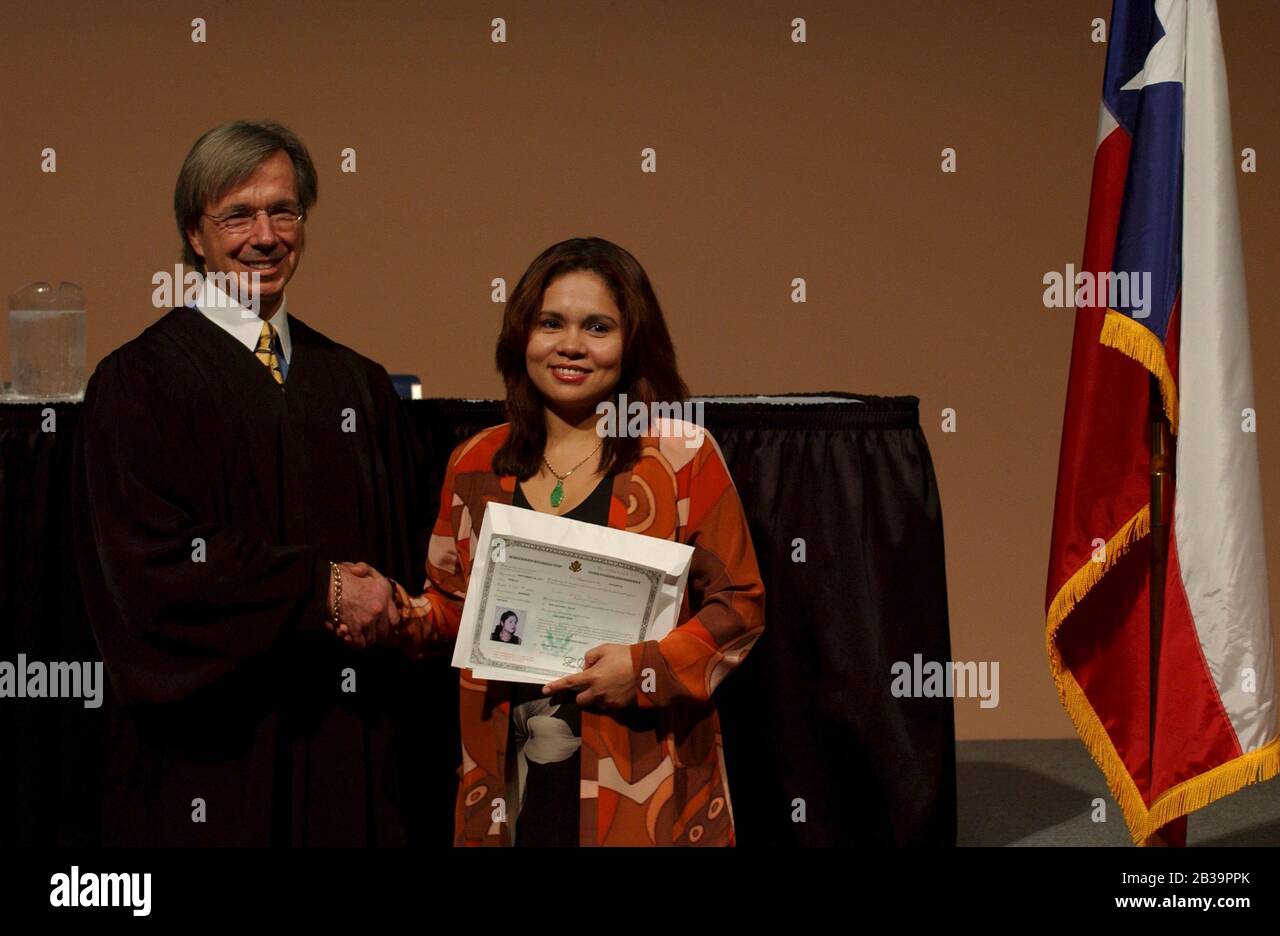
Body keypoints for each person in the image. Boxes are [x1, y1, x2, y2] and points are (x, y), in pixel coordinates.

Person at [72, 120, 432, 845]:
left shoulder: (357, 386)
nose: (265, 235)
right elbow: (151, 574)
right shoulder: (137, 383)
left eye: (285, 210)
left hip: (344, 754)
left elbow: (403, 564)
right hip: (208, 762)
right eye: (237, 214)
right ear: (193, 233)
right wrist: (320, 589)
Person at [392, 236, 765, 846]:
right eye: (550, 323)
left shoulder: (678, 456)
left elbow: (740, 606)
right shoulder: (475, 462)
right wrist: (398, 612)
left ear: (632, 342)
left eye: (597, 327)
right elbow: (455, 608)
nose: (571, 345)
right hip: (508, 780)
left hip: (640, 779)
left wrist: (644, 669)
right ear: (522, 336)